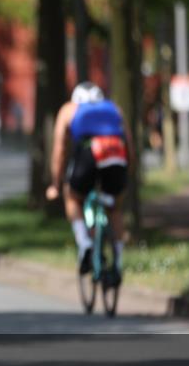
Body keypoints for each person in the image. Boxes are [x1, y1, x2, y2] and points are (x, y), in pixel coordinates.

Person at [46, 82, 132, 277]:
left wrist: (55, 183)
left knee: (73, 197)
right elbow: (130, 145)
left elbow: (59, 148)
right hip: (115, 152)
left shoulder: (69, 109)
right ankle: (118, 263)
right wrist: (127, 174)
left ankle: (84, 243)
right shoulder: (115, 108)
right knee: (114, 208)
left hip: (88, 152)